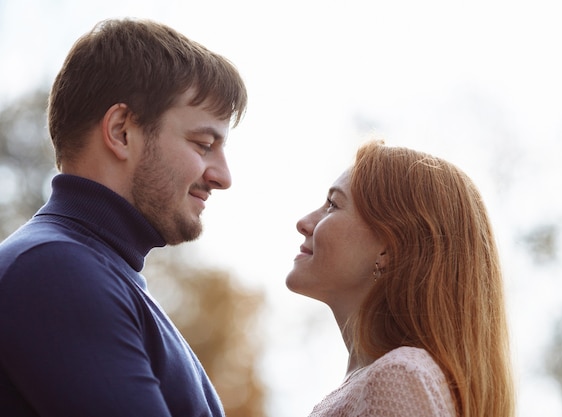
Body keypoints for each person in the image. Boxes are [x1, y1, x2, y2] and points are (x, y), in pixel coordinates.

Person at [0, 18, 247, 417]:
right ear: (121, 131)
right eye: (203, 145)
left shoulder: (93, 271)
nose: (223, 177)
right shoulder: (54, 270)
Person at [286, 140, 515, 417]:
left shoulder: (398, 377)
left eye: (333, 205)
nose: (304, 222)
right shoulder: (384, 379)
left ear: (388, 249)